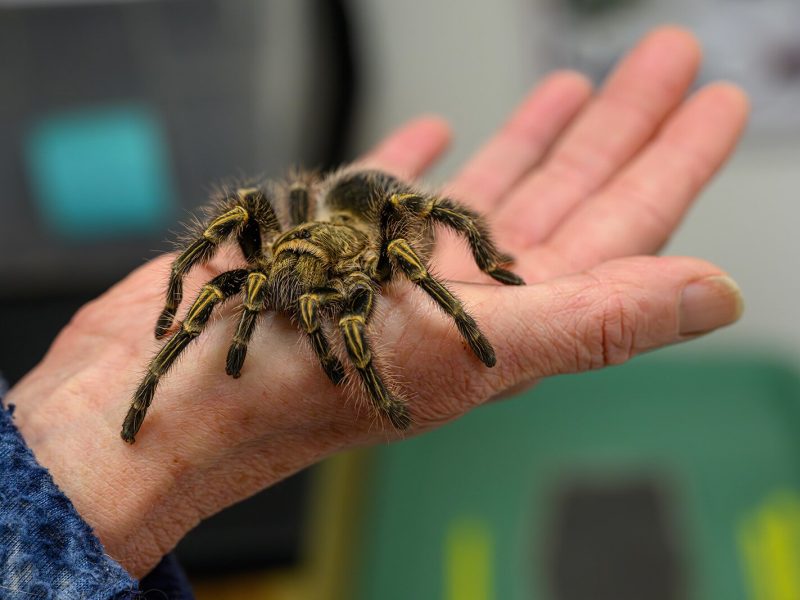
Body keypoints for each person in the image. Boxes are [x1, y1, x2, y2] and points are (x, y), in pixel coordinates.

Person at [1, 27, 747, 597]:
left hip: (361, 232)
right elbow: (223, 253)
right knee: (229, 249)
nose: (274, 291)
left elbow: (383, 283)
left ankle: (473, 277)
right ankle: (139, 399)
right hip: (312, 232)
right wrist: (170, 306)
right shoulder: (272, 254)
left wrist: (465, 309)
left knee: (391, 257)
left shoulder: (382, 252)